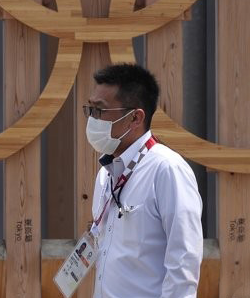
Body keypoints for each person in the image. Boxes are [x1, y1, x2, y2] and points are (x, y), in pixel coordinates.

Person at [84, 63, 203, 298]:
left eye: (100, 110)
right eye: (91, 109)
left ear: (135, 118)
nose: (92, 119)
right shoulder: (105, 174)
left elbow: (184, 261)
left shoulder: (167, 169)